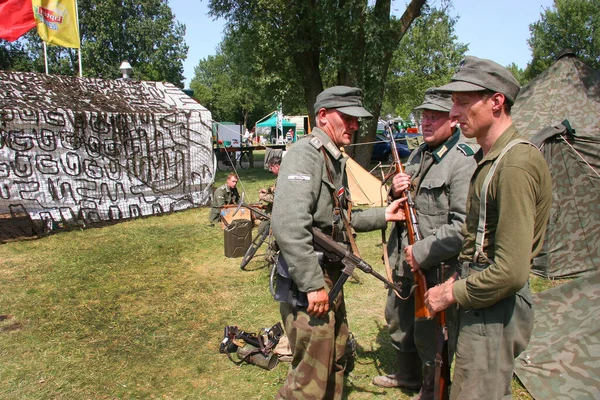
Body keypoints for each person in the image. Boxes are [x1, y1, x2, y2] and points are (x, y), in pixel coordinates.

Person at [425, 56, 552, 399]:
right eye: (453, 103)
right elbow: (483, 242)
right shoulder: (491, 159)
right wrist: (457, 278)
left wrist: (451, 292)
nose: (452, 113)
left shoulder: (514, 165)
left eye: (463, 102)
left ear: (496, 102)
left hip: (495, 307)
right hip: (481, 298)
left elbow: (510, 271)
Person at [271, 86, 407, 400]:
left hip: (329, 274)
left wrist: (383, 215)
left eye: (357, 119)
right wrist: (312, 283)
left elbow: (339, 223)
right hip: (312, 280)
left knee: (334, 356)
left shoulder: (331, 157)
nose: (355, 125)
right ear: (322, 116)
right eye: (347, 118)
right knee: (309, 377)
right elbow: (288, 224)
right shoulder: (306, 154)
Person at [372, 89, 478, 400]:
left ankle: (432, 390)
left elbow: (462, 227)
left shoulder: (462, 162)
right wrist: (393, 189)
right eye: (424, 116)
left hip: (434, 263)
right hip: (406, 257)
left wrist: (420, 253)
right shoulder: (418, 154)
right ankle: (407, 375)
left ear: (453, 120)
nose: (426, 122)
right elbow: (406, 202)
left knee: (430, 333)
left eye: (435, 116)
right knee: (398, 318)